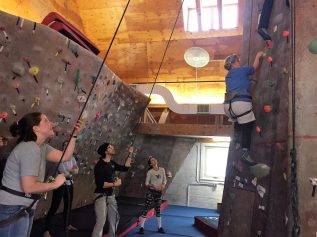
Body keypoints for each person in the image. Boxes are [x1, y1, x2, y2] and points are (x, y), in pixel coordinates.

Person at [0, 112, 83, 237]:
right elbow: (29, 186)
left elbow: (65, 156)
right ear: (35, 128)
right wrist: (55, 184)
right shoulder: (29, 148)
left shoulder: (42, 147)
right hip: (14, 207)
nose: (51, 123)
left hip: (23, 205)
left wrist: (74, 135)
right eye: (45, 121)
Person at [223, 52, 270, 178]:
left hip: (228, 106)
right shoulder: (242, 70)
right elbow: (254, 68)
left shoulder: (228, 76)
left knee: (238, 120)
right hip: (240, 104)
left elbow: (241, 85)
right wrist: (258, 56)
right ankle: (245, 152)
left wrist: (249, 84)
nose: (240, 63)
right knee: (247, 127)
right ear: (233, 63)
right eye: (238, 61)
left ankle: (237, 141)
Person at [91, 143, 133, 237]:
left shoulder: (112, 163)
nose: (113, 148)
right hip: (101, 196)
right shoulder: (100, 165)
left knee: (115, 218)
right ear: (106, 151)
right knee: (101, 221)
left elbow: (125, 168)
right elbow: (100, 184)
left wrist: (130, 154)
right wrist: (115, 184)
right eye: (111, 147)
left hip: (110, 195)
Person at [43, 141, 79, 237]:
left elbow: (77, 170)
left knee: (68, 205)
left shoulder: (72, 158)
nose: (67, 146)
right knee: (54, 207)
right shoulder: (59, 157)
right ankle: (46, 230)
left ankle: (67, 225)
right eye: (66, 145)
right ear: (63, 146)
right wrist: (71, 170)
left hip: (70, 183)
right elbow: (63, 171)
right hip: (60, 185)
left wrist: (71, 170)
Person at [139, 156, 167, 234]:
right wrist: (153, 186)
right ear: (151, 164)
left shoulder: (162, 169)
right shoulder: (150, 172)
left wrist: (163, 185)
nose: (154, 160)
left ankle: (160, 227)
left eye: (154, 159)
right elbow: (146, 183)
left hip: (159, 192)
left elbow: (165, 179)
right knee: (146, 208)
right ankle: (141, 227)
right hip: (151, 192)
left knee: (158, 209)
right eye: (152, 160)